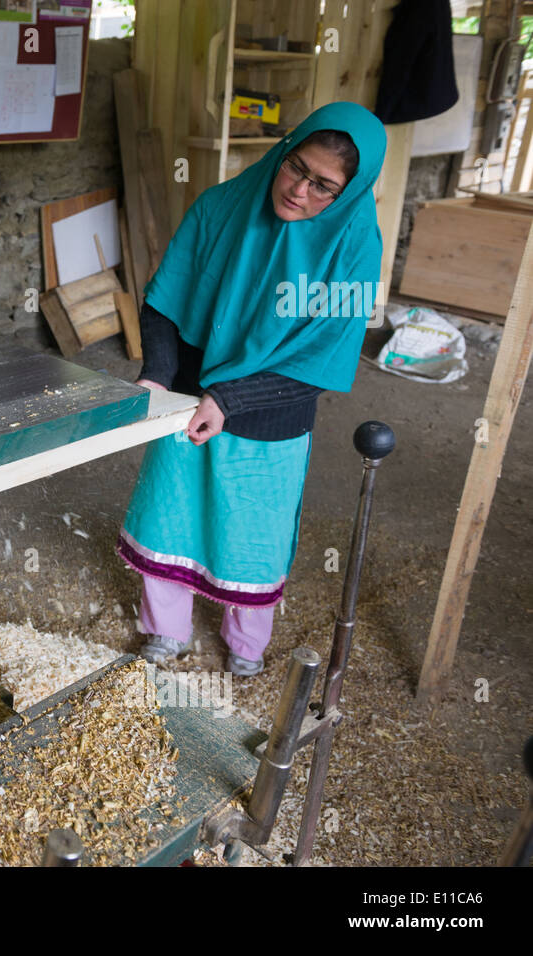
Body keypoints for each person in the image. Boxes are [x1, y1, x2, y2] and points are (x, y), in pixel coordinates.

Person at [117, 101, 386, 677]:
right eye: (297, 167)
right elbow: (165, 300)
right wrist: (157, 377)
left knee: (251, 527)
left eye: (324, 187)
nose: (299, 191)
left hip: (272, 410)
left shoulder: (355, 249)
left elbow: (321, 359)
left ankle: (245, 642)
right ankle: (166, 629)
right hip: (187, 392)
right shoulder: (222, 204)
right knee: (172, 509)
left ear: (349, 193)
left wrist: (232, 399)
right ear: (284, 150)